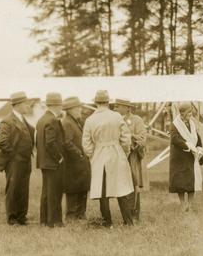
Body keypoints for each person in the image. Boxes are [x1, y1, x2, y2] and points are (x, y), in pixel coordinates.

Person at [82, 90, 134, 228]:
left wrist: (93, 155)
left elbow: (86, 144)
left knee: (102, 190)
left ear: (95, 102)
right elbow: (126, 138)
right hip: (116, 153)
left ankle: (107, 222)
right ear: (108, 102)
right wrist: (125, 152)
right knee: (121, 187)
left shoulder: (90, 120)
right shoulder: (116, 116)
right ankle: (128, 221)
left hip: (99, 156)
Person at [0, 91, 35, 226]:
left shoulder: (23, 119)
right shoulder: (6, 121)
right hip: (14, 162)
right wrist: (14, 155)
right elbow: (2, 142)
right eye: (25, 103)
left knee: (23, 189)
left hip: (25, 161)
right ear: (17, 105)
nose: (27, 106)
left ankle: (22, 217)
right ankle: (12, 219)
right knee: (13, 189)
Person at [169, 102, 203, 212]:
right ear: (181, 113)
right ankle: (182, 204)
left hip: (191, 157)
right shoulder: (175, 124)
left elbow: (197, 138)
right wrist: (188, 145)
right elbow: (175, 139)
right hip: (180, 157)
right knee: (180, 182)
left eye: (191, 112)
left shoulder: (192, 124)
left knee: (192, 182)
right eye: (188, 112)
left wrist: (199, 147)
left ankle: (190, 205)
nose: (190, 114)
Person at [114, 98, 146, 221]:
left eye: (119, 106)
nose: (115, 108)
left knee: (133, 183)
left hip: (132, 158)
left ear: (128, 107)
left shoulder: (137, 120)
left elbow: (142, 138)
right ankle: (125, 214)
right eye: (115, 106)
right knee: (121, 185)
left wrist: (129, 138)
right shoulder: (114, 120)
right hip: (118, 157)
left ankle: (134, 213)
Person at [36, 92, 65, 227]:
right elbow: (50, 142)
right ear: (55, 105)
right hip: (53, 163)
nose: (61, 108)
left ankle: (45, 220)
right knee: (54, 192)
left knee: (46, 192)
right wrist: (59, 157)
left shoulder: (41, 119)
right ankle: (54, 221)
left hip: (44, 162)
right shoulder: (52, 120)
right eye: (60, 105)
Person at [61, 96, 91, 220]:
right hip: (73, 163)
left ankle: (80, 214)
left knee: (82, 187)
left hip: (80, 163)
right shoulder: (67, 122)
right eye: (78, 107)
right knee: (73, 189)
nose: (81, 110)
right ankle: (72, 215)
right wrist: (79, 154)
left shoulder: (76, 121)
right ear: (71, 109)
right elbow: (67, 143)